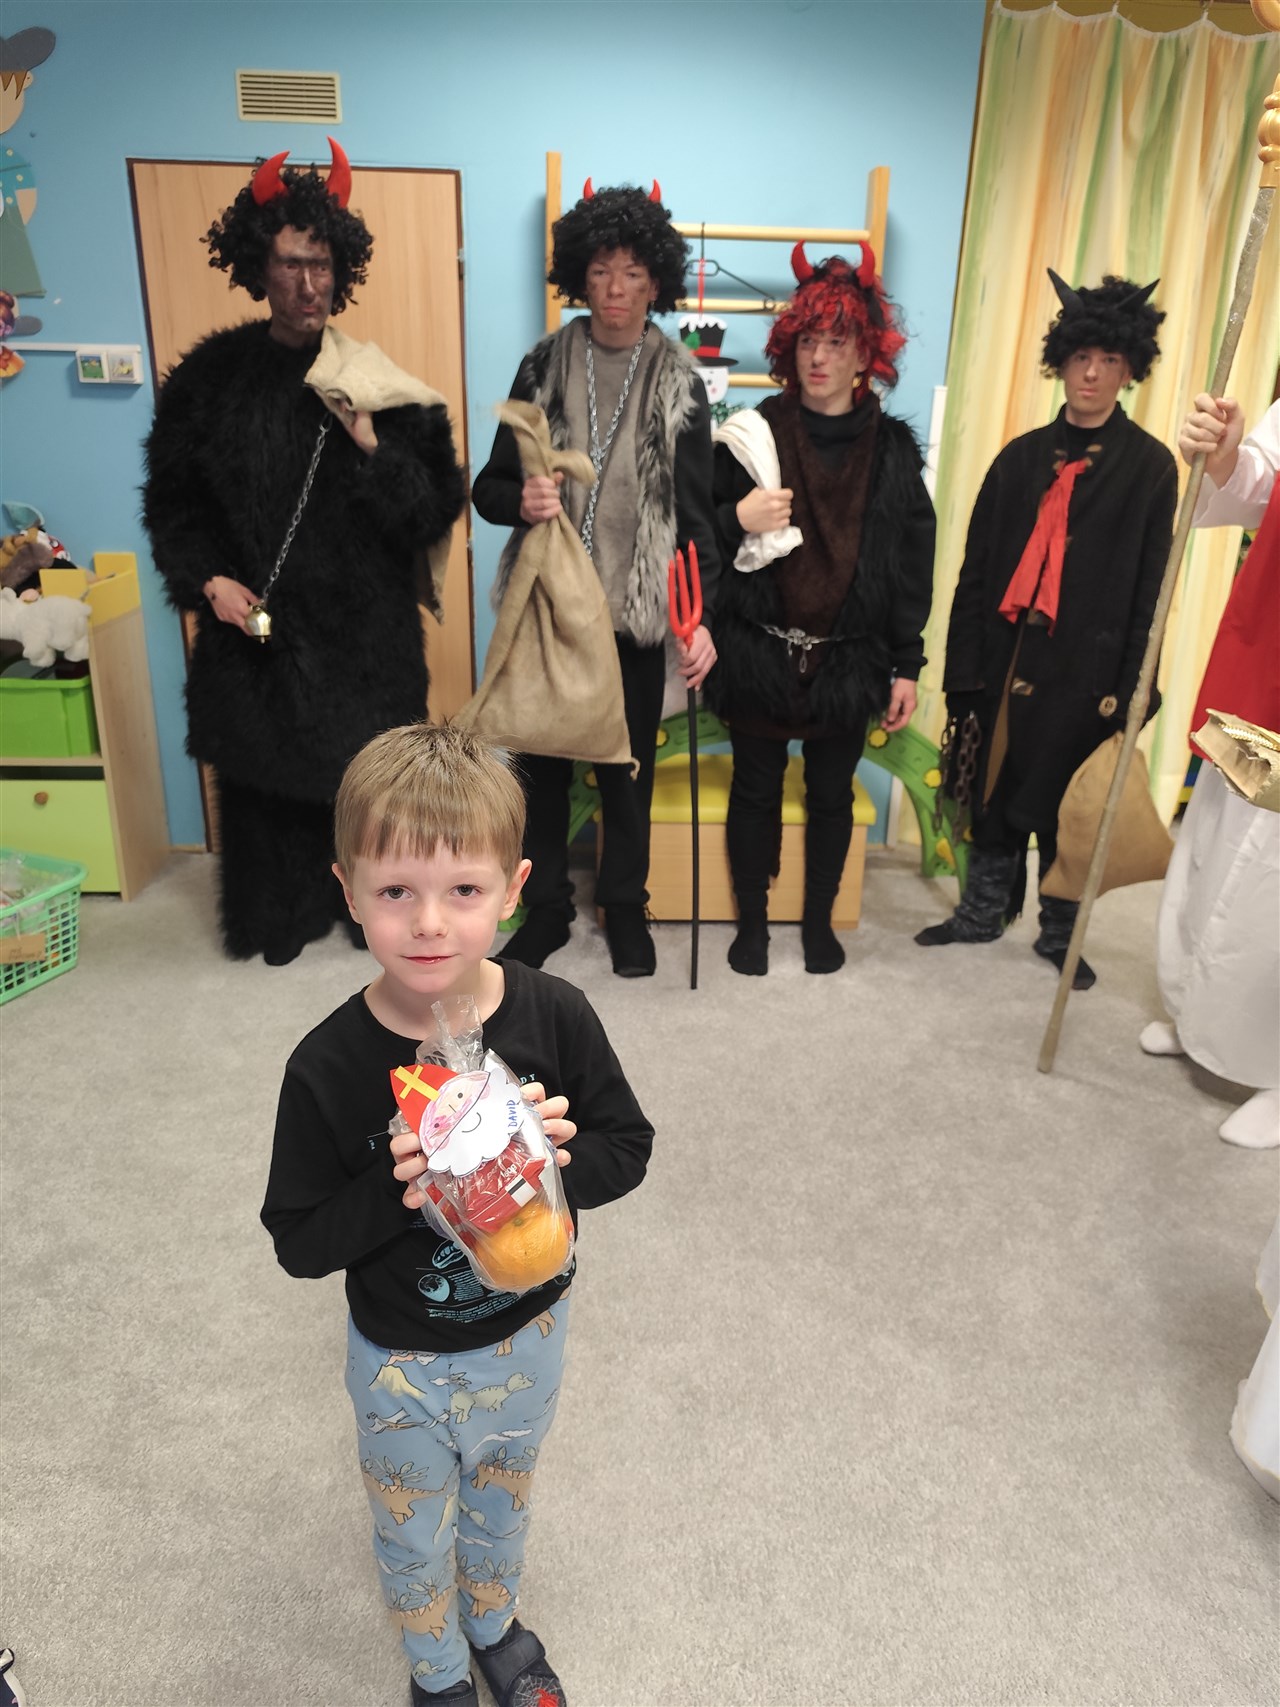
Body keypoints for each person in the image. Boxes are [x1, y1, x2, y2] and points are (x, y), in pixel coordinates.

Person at [261, 721, 654, 1707]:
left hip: (529, 1333)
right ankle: (436, 1670)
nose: (429, 923)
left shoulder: (554, 1015)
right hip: (401, 1359)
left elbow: (629, 1145)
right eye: (395, 891)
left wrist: (552, 1163)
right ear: (348, 890)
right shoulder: (326, 1065)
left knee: (501, 1505)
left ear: (515, 889)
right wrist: (395, 1191)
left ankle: (493, 1623)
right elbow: (298, 1241)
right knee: (409, 1529)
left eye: (464, 891)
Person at [143, 142, 466, 965]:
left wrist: (371, 443)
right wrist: (208, 581)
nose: (308, 283)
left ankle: (372, 914)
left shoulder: (378, 386)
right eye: (291, 263)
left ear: (340, 270)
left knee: (369, 790)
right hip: (255, 630)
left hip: (365, 635)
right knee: (263, 782)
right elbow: (173, 504)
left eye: (321, 265)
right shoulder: (208, 381)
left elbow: (434, 506)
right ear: (259, 266)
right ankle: (275, 917)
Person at [471, 181, 720, 978]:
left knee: (626, 774)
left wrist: (703, 620)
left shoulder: (680, 381)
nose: (616, 289)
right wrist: (521, 499)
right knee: (540, 768)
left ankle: (624, 905)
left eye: (633, 273)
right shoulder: (543, 364)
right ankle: (544, 908)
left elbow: (698, 518)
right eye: (603, 271)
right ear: (580, 274)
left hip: (635, 615)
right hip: (549, 608)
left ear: (656, 282)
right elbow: (486, 489)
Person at [915, 271, 1177, 989]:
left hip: (1088, 677)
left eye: (1109, 360)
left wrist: (1134, 690)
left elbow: (1152, 594)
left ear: (1129, 370)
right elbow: (974, 574)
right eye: (1080, 357)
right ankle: (982, 912)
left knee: (1070, 809)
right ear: (1060, 361)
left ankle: (1060, 934)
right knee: (994, 794)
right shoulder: (1019, 459)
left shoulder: (1151, 469)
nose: (1091, 373)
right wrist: (965, 669)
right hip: (1005, 664)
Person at [705, 245, 935, 975]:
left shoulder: (893, 451)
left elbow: (911, 564)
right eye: (808, 340)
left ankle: (818, 922)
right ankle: (752, 923)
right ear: (789, 346)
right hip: (759, 647)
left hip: (850, 655)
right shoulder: (753, 433)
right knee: (754, 790)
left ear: (865, 353)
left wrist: (907, 664)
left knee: (832, 794)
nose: (820, 357)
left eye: (837, 342)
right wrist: (736, 517)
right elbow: (696, 535)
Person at [1140, 394, 1279, 1150]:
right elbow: (1258, 486)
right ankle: (1199, 1012)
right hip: (1266, 657)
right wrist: (1223, 458)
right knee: (1220, 839)